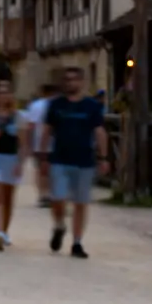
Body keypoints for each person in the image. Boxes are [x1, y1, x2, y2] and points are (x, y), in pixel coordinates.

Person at [38, 67, 109, 259]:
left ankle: (77, 242)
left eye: (74, 79)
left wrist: (103, 157)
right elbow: (47, 130)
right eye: (67, 80)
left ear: (82, 82)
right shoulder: (56, 105)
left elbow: (100, 132)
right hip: (59, 159)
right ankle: (59, 225)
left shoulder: (91, 106)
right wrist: (43, 157)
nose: (70, 83)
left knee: (80, 203)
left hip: (84, 161)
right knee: (57, 198)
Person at [0, 80, 27, 251]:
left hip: (12, 159)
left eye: (6, 92)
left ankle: (5, 230)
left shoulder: (18, 116)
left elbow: (23, 143)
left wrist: (21, 163)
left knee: (8, 198)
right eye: (0, 92)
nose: (3, 95)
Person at [24, 83, 58, 207]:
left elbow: (30, 126)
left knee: (41, 170)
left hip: (39, 143)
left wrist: (29, 143)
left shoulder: (36, 105)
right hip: (55, 143)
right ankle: (52, 193)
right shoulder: (58, 105)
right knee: (53, 170)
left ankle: (43, 195)